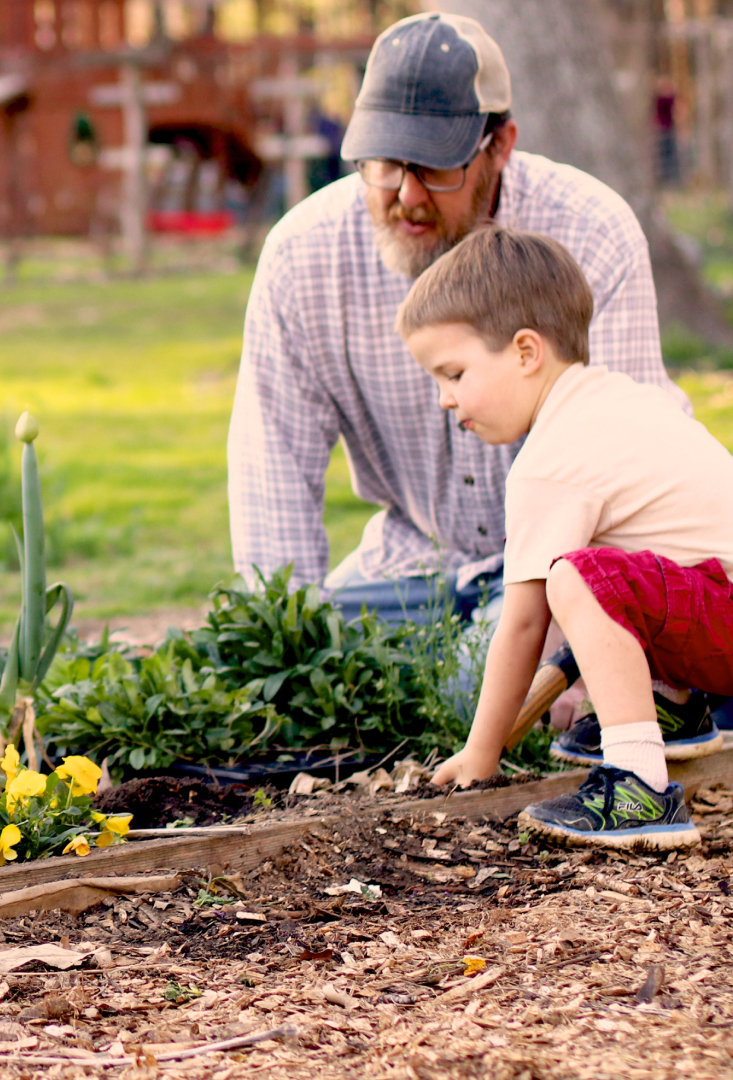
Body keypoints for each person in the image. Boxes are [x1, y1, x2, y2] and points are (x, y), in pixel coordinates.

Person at [228, 11, 682, 626]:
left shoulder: (591, 231)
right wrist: (280, 645)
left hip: (563, 568)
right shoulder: (302, 256)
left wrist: (588, 638)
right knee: (336, 662)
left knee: (475, 680)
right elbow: (272, 466)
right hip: (407, 567)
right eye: (384, 164)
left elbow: (630, 465)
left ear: (500, 146)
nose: (407, 196)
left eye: (435, 166)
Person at [406, 228, 733, 848]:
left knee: (579, 577)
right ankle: (672, 711)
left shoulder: (551, 460)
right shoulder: (618, 400)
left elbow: (525, 624)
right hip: (717, 607)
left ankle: (638, 783)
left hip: (724, 619)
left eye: (453, 373)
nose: (446, 400)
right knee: (612, 565)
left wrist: (481, 754)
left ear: (526, 352)